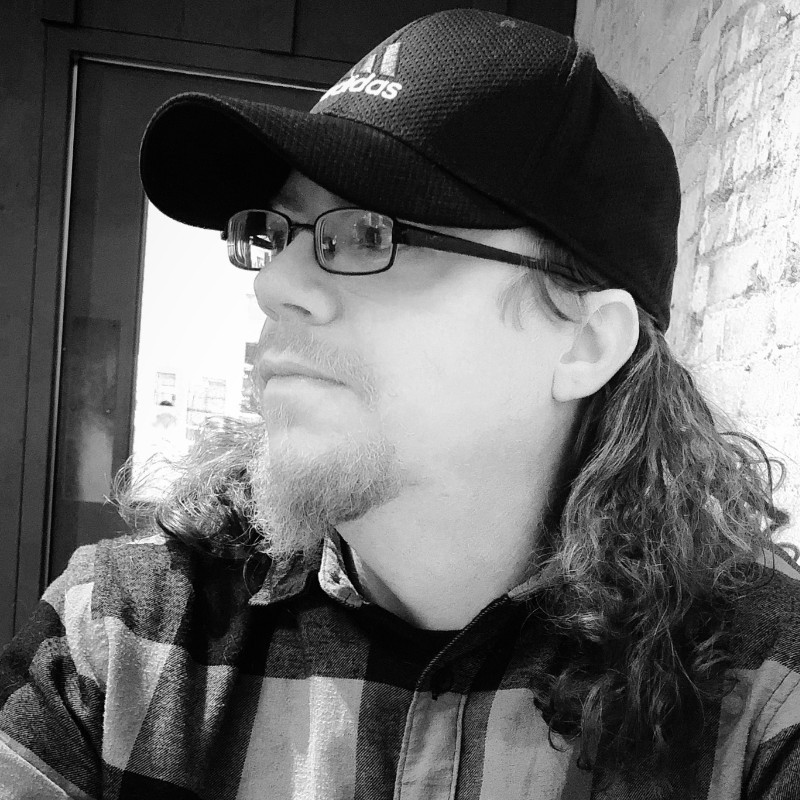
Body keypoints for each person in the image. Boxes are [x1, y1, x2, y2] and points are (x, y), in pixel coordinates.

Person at [1, 8, 798, 799]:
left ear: (585, 343)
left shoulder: (762, 698)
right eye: (276, 234)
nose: (274, 284)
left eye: (368, 234)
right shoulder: (122, 637)